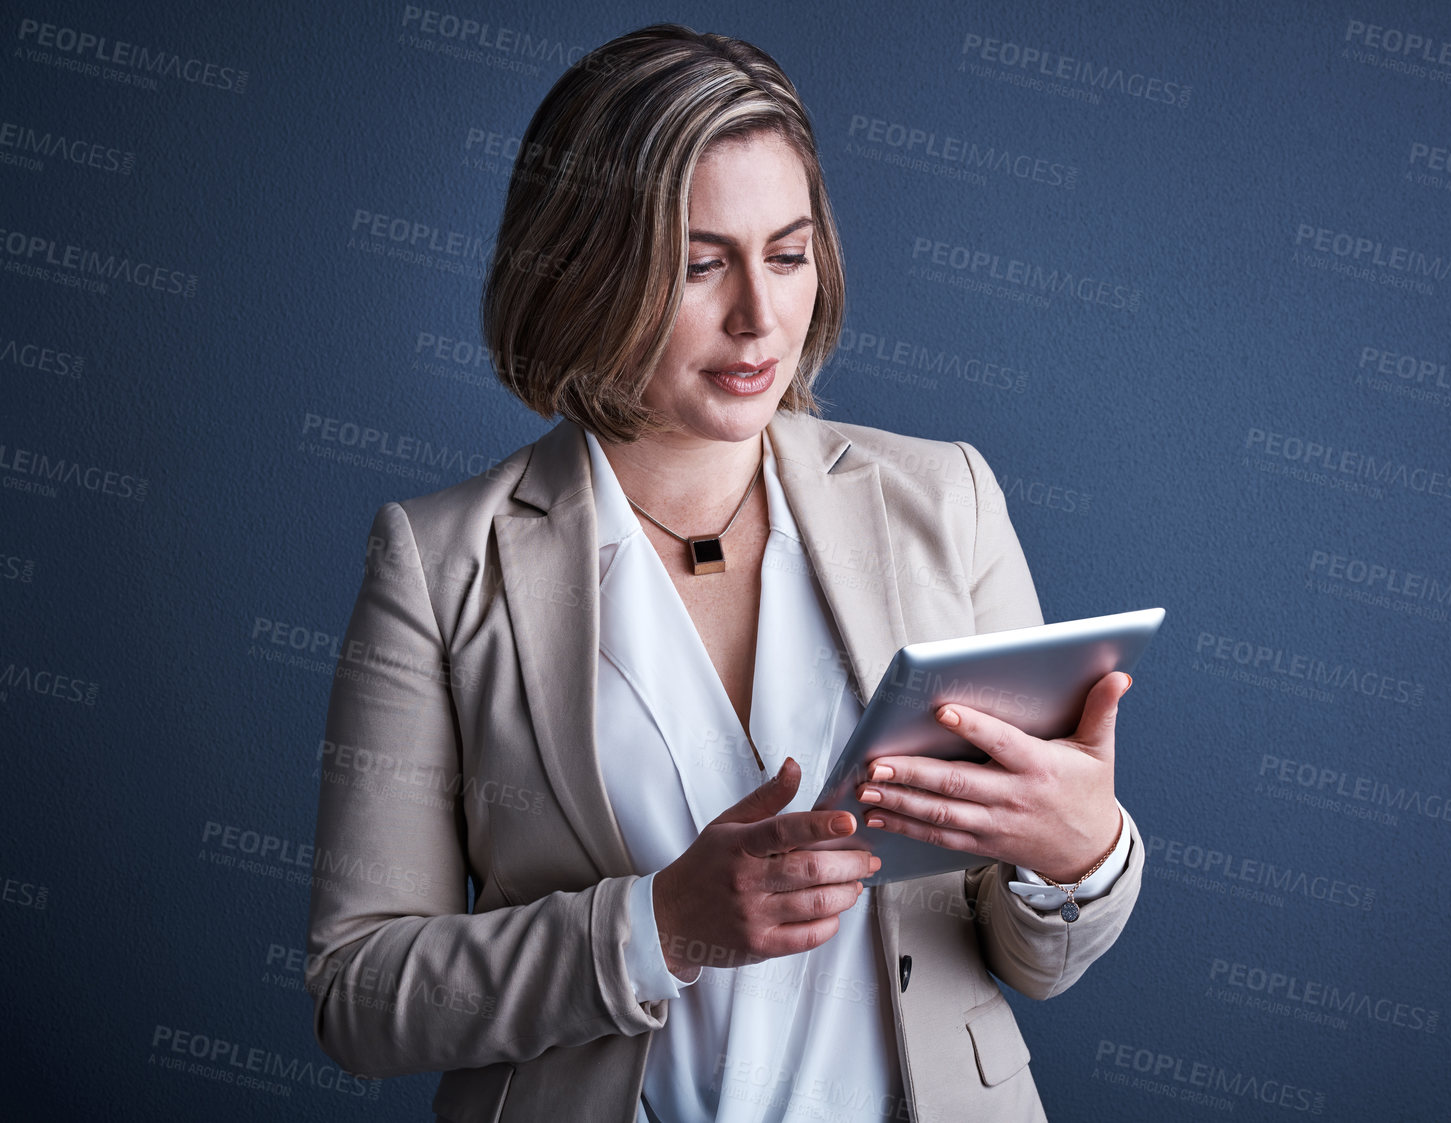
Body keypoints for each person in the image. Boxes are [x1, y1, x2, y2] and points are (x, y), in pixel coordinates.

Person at [305, 23, 1145, 1123]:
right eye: (699, 265)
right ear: (582, 269)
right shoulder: (439, 562)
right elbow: (360, 992)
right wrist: (654, 928)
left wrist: (1078, 856)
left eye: (787, 254)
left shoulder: (947, 500)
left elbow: (1026, 952)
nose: (760, 317)